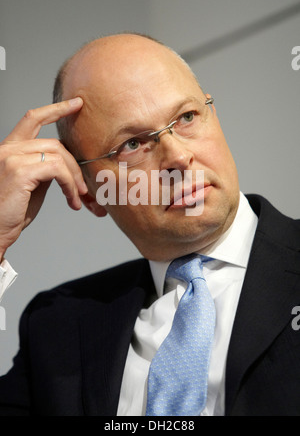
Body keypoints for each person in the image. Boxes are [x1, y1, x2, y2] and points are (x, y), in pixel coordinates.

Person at [0, 33, 299, 416]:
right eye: (132, 144)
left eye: (187, 117)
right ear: (92, 193)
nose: (178, 156)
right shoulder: (57, 327)